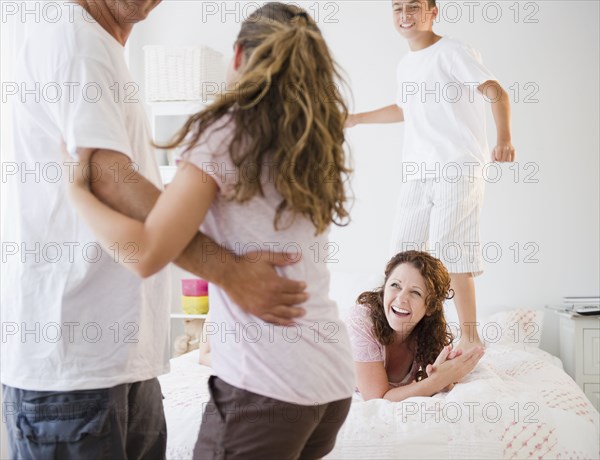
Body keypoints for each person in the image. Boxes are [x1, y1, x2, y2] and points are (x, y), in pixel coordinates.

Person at [1, 0, 308, 458]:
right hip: (74, 363)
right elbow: (106, 177)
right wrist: (230, 271)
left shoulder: (102, 46)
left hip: (122, 358)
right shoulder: (73, 36)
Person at [64, 3, 355, 459]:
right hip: (330, 385)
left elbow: (146, 254)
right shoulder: (312, 143)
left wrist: (78, 192)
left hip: (268, 389)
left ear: (238, 57)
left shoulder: (227, 132)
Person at [346, 0, 516, 351]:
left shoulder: (452, 51)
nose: (405, 15)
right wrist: (357, 118)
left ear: (433, 12)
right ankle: (405, 339)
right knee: (402, 255)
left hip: (458, 165)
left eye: (414, 7)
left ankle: (470, 337)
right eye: (397, 8)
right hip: (418, 170)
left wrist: (504, 140)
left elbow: (496, 91)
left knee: (449, 250)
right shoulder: (406, 63)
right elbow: (404, 108)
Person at [348, 251, 485, 401]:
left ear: (430, 307)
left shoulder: (426, 334)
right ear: (384, 288)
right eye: (395, 285)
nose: (401, 299)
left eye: (415, 293)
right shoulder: (362, 320)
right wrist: (437, 381)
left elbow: (430, 380)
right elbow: (378, 398)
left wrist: (441, 373)